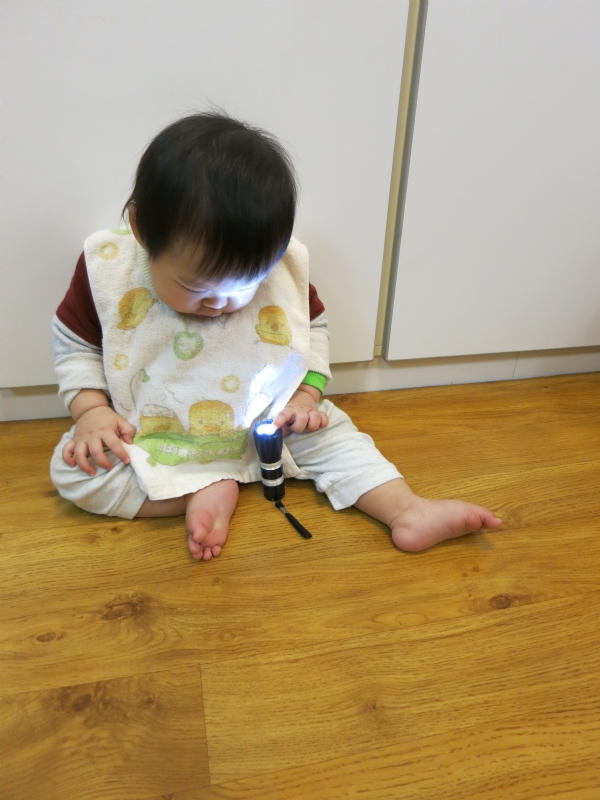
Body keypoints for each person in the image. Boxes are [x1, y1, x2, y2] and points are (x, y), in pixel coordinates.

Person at [50, 112, 501, 561]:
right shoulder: (109, 271)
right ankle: (201, 490)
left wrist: (305, 397)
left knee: (336, 436)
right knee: (73, 469)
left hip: (272, 424)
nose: (220, 303)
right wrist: (91, 411)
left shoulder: (278, 265)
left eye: (243, 287)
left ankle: (406, 509)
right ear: (141, 230)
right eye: (196, 288)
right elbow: (77, 346)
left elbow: (312, 331)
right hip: (157, 432)